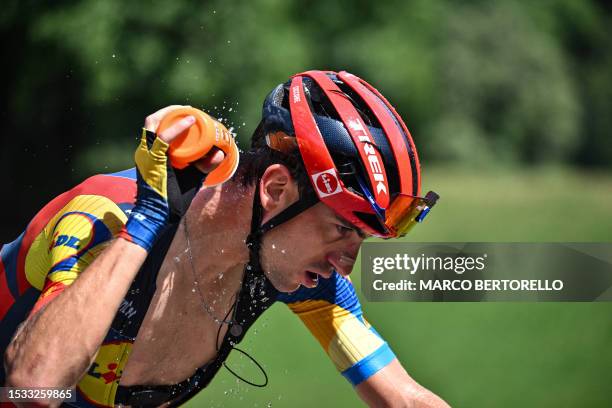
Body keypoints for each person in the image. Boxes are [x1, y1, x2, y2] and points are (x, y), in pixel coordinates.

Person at [1, 70, 447, 407]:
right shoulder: (108, 217)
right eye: (343, 229)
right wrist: (145, 223)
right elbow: (34, 385)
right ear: (275, 190)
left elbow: (405, 398)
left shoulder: (291, 268)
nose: (346, 264)